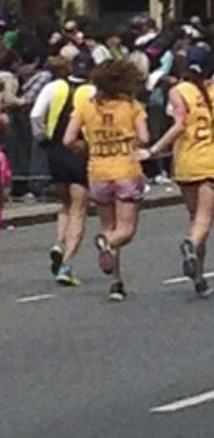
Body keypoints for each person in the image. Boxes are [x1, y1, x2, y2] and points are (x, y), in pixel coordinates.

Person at [144, 44, 214, 298]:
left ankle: (199, 276)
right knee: (204, 220)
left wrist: (154, 150)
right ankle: (191, 247)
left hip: (187, 160)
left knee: (194, 218)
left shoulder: (178, 91)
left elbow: (179, 124)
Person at [62, 60, 149, 302]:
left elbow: (68, 140)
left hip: (97, 171)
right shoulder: (131, 106)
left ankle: (116, 282)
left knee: (109, 225)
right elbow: (144, 136)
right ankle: (106, 244)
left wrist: (88, 145)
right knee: (125, 230)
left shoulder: (85, 107)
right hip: (125, 169)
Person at [30, 54, 94, 285]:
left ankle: (59, 241)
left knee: (64, 203)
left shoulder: (55, 86)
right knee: (79, 207)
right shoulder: (92, 92)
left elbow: (36, 114)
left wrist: (42, 138)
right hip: (80, 150)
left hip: (55, 150)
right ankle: (66, 264)